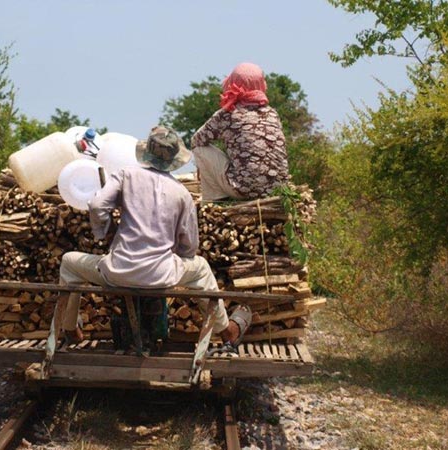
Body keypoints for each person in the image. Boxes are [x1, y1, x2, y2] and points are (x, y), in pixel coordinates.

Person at [58, 125, 251, 346]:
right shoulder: (182, 193)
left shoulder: (125, 175)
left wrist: (104, 233)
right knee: (202, 269)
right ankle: (225, 330)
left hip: (117, 271)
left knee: (68, 263)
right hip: (162, 275)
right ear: (173, 159)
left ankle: (70, 329)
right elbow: (189, 246)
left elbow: (97, 205)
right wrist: (174, 254)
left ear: (146, 152)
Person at [191, 62, 289, 201]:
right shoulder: (272, 114)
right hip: (278, 190)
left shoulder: (228, 113)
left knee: (199, 149)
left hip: (243, 190)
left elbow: (196, 140)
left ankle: (213, 200)